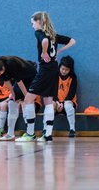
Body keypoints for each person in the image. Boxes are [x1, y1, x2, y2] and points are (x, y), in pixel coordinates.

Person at [21, 11, 76, 142]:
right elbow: (73, 41)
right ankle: (48, 135)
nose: (32, 26)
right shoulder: (54, 35)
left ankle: (30, 133)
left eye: (33, 23)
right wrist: (60, 50)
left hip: (45, 70)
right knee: (48, 101)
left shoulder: (40, 33)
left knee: (28, 100)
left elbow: (44, 40)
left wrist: (44, 52)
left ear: (39, 22)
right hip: (54, 70)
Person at [0, 56, 38, 141]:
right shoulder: (0, 70)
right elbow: (7, 82)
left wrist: (26, 95)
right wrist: (13, 94)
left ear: (3, 67)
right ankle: (10, 134)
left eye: (1, 72)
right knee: (11, 102)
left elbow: (19, 81)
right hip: (21, 80)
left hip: (31, 77)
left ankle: (30, 134)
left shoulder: (11, 63)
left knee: (27, 101)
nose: (0, 74)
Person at [43, 55, 77, 137]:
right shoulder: (54, 76)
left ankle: (72, 129)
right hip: (56, 101)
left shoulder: (73, 78)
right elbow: (52, 91)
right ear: (59, 67)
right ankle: (45, 129)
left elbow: (71, 94)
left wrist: (63, 103)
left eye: (67, 70)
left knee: (68, 105)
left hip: (68, 101)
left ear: (70, 69)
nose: (64, 71)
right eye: (62, 69)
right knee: (49, 106)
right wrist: (57, 102)